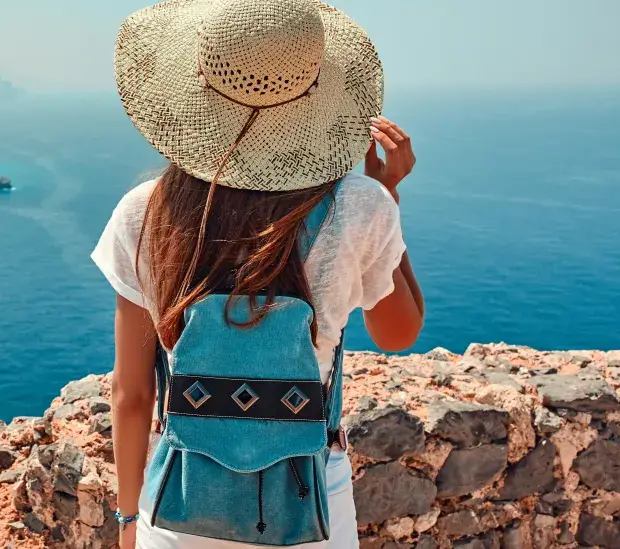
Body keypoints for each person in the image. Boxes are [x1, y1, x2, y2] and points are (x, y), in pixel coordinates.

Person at [91, 0, 425, 547]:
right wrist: (387, 194)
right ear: (316, 95)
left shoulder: (145, 211)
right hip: (309, 505)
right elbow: (398, 334)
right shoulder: (359, 206)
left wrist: (130, 523)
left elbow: (131, 393)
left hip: (178, 503)